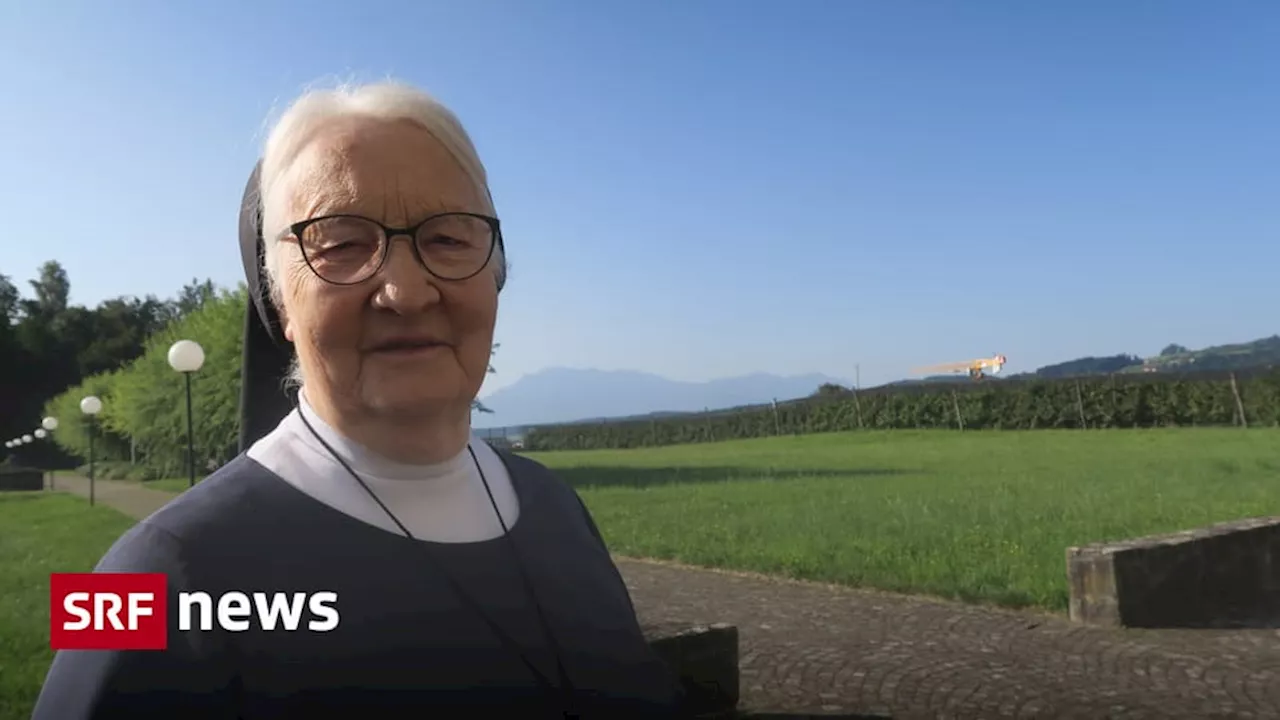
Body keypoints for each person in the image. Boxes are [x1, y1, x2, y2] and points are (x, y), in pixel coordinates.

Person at [34, 81, 685, 718]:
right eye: (341, 244)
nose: (406, 292)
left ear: (495, 273)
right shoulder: (141, 580)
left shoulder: (556, 506)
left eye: (448, 239)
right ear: (278, 301)